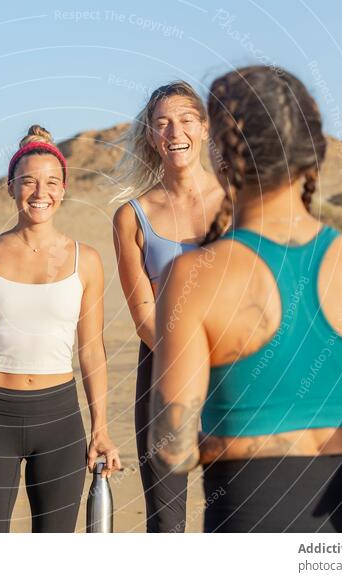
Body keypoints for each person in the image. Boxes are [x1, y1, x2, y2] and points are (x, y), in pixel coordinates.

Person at [149, 66, 342, 532]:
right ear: (314, 153)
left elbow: (172, 446)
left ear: (222, 155)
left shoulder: (193, 277)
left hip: (251, 512)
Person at [0, 125, 121, 533]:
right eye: (29, 181)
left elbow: (91, 350)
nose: (40, 192)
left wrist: (100, 427)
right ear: (10, 186)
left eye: (52, 182)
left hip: (60, 420)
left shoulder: (85, 261)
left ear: (64, 189)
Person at [113, 81, 223, 532]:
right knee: (166, 517)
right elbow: (142, 314)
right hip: (162, 368)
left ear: (203, 128)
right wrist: (186, 366)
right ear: (150, 136)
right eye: (161, 123)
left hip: (237, 369)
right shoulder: (132, 216)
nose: (174, 131)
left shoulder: (241, 201)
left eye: (184, 120)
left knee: (242, 506)